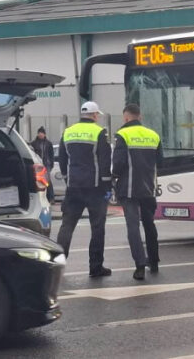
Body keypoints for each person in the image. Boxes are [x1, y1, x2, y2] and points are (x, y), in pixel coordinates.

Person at [57, 101, 113, 278]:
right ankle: (95, 267)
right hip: (95, 187)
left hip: (74, 187)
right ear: (95, 115)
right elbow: (105, 160)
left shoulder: (68, 132)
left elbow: (62, 159)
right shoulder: (99, 132)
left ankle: (57, 265)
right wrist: (107, 185)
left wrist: (67, 178)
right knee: (97, 228)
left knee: (67, 226)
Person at [112, 104, 162, 281]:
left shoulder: (123, 135)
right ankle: (154, 261)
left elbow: (118, 164)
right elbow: (160, 162)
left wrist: (114, 177)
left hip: (129, 189)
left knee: (133, 227)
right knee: (150, 224)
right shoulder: (153, 135)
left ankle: (140, 265)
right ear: (139, 116)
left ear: (126, 118)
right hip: (149, 188)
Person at [30, 126, 56, 202]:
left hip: (46, 164)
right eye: (39, 133)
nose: (40, 134)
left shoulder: (48, 143)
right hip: (38, 164)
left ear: (44, 134)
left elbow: (51, 154)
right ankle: (43, 198)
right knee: (39, 181)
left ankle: (51, 197)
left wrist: (51, 164)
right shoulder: (34, 143)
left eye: (42, 133)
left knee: (47, 181)